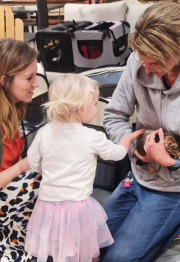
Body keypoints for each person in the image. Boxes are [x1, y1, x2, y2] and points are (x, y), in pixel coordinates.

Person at [24, 73, 143, 262]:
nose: (97, 108)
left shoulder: (44, 132)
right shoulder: (92, 136)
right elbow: (116, 154)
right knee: (81, 250)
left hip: (47, 207)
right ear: (80, 109)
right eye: (95, 104)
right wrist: (125, 140)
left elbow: (34, 163)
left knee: (55, 248)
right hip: (77, 208)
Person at [103, 2, 180, 262]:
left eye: (155, 63)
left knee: (118, 259)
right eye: (143, 61)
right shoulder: (138, 60)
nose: (145, 69)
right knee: (88, 245)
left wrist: (172, 163)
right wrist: (137, 151)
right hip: (137, 177)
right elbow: (113, 115)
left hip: (174, 190)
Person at [0, 38, 40, 262]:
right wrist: (22, 167)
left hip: (3, 199)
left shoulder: (10, 108)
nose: (36, 84)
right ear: (4, 80)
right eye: (29, 78)